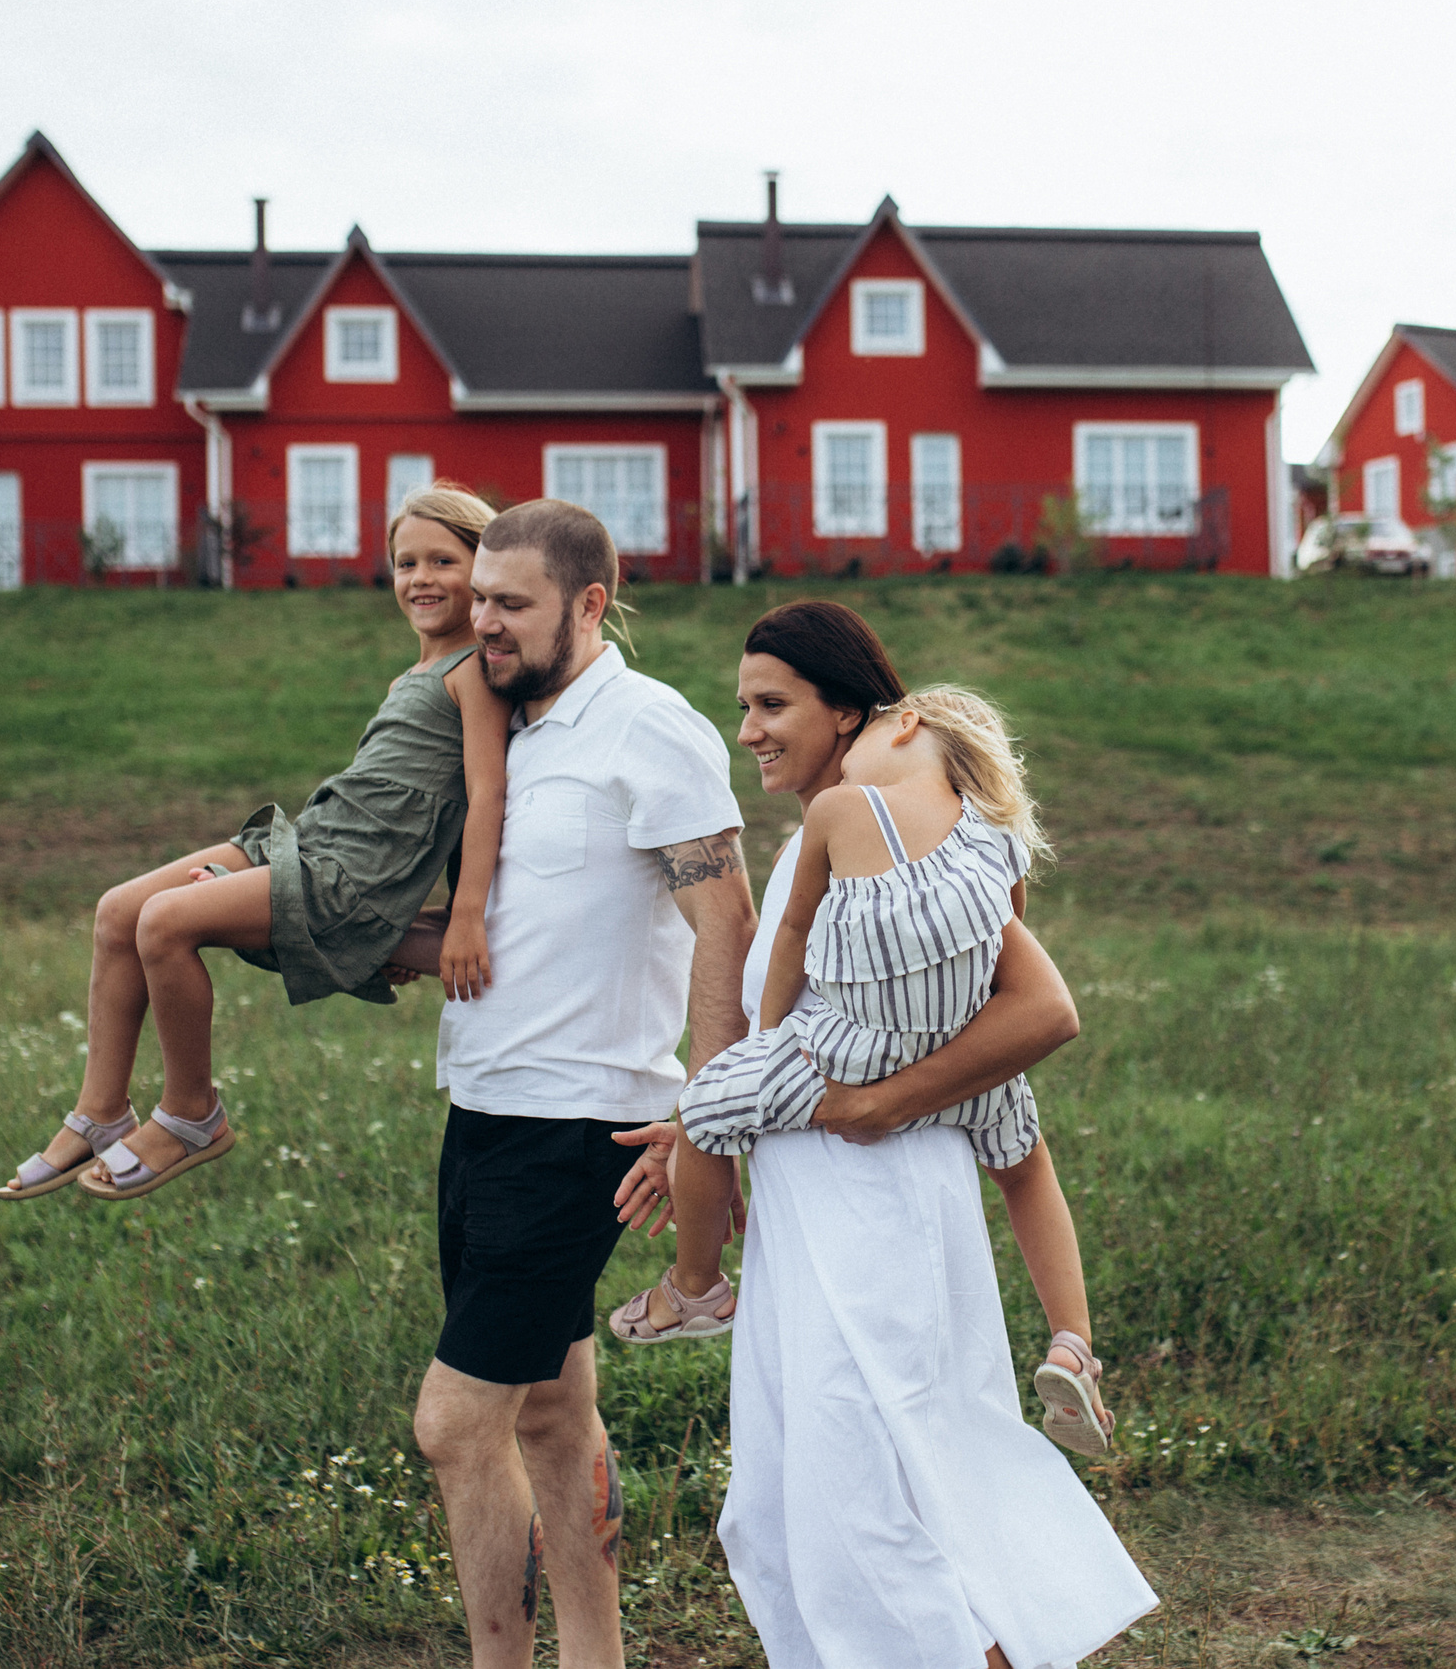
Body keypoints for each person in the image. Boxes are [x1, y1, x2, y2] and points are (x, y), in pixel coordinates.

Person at [615, 600, 1155, 1669]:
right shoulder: (838, 848)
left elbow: (1040, 1009)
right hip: (807, 1225)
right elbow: (814, 1036)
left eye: (773, 705)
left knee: (877, 1513)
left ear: (848, 708)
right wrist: (701, 1124)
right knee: (801, 1511)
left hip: (882, 1215)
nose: (751, 730)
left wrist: (878, 1104)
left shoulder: (908, 863)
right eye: (742, 708)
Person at [409, 500, 757, 1669]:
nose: (483, 622)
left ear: (591, 604)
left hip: (578, 1130)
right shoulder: (507, 729)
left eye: (511, 604)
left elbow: (730, 922)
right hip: (483, 1114)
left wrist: (705, 1121)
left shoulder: (649, 728)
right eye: (478, 598)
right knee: (554, 1415)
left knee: (457, 1428)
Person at [610, 677, 1117, 1458]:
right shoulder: (996, 836)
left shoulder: (842, 811)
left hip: (847, 1053)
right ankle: (1072, 1343)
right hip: (958, 1063)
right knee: (1027, 1165)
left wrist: (763, 1046)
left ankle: (696, 1287)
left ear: (905, 724)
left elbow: (790, 937)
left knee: (707, 1109)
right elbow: (1000, 942)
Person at [0, 483, 508, 1203]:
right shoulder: (413, 674)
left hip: (345, 877)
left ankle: (192, 1113)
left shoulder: (476, 677)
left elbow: (484, 795)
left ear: (484, 569)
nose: (420, 578)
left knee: (164, 922)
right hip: (311, 839)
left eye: (443, 561)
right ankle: (102, 1111)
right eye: (404, 562)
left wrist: (461, 912)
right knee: (118, 910)